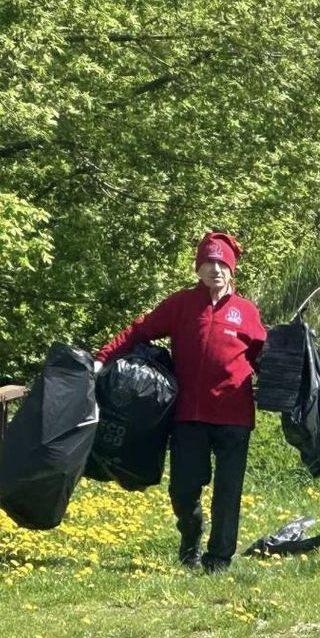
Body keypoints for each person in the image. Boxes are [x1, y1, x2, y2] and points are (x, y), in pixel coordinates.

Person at [95, 231, 267, 573]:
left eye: (221, 264)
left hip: (234, 415)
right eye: (208, 263)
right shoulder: (182, 305)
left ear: (232, 270)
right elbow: (139, 330)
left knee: (227, 491)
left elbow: (266, 359)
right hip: (190, 414)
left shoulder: (246, 312)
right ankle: (191, 537)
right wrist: (101, 359)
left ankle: (218, 559)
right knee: (184, 488)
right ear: (198, 269)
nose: (215, 270)